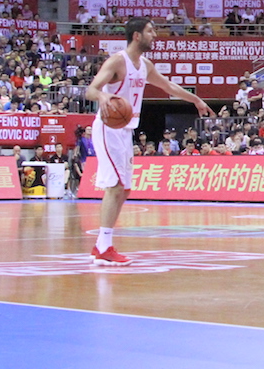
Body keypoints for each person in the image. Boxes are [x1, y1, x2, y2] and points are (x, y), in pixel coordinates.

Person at [86, 18, 212, 266]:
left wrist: (195, 99)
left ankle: (103, 245)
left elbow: (169, 87)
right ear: (136, 36)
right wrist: (102, 94)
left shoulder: (145, 65)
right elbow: (91, 89)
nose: (154, 35)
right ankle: (103, 246)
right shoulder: (117, 61)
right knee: (116, 186)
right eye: (150, 31)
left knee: (125, 188)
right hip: (107, 127)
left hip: (125, 130)